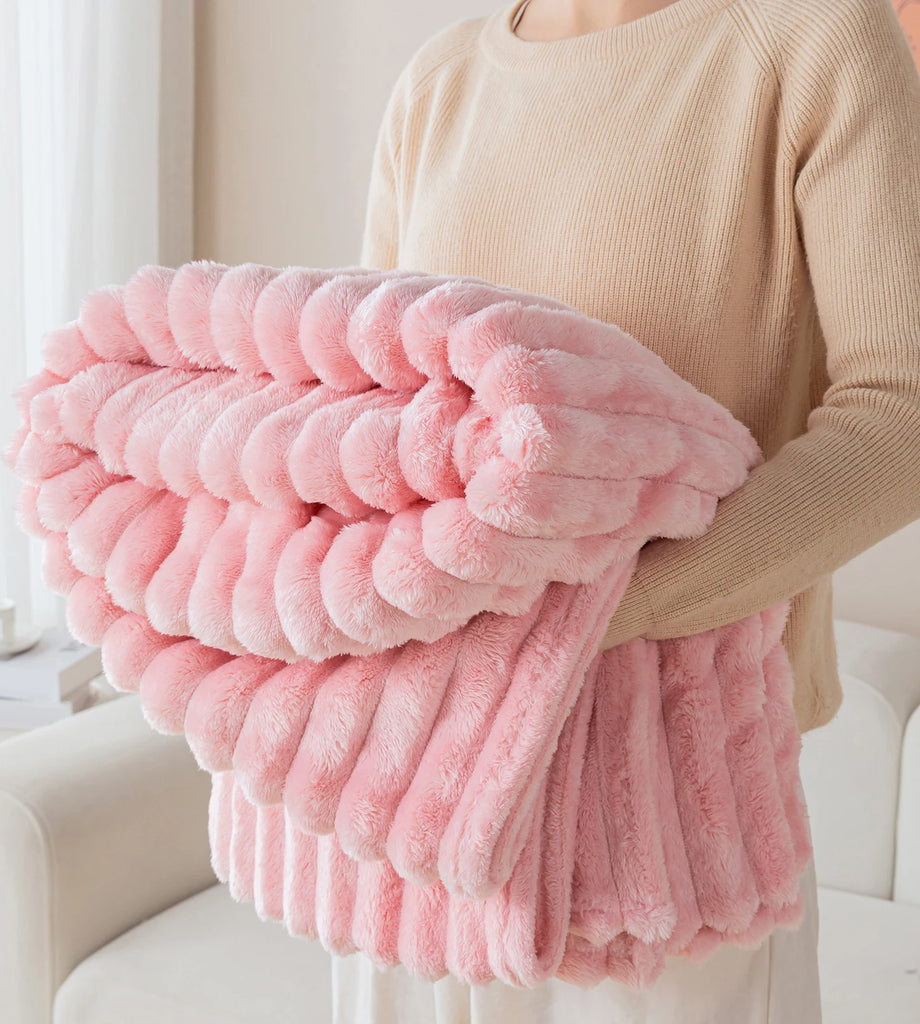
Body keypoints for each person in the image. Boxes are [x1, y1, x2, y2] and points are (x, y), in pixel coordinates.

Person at [331, 0, 920, 1021]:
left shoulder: (812, 39)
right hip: (416, 792)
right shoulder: (437, 85)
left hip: (678, 815)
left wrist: (595, 612)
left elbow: (901, 412)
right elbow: (372, 421)